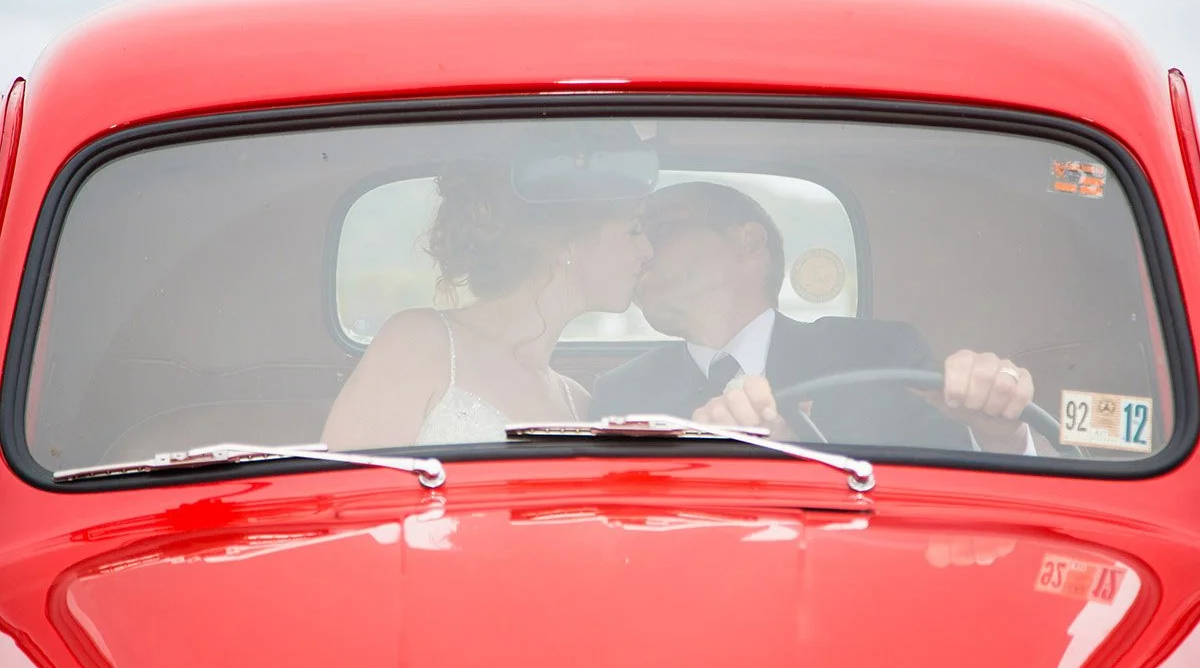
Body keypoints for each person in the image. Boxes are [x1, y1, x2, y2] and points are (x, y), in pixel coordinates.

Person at [589, 181, 1056, 455]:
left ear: (749, 243)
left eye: (662, 229)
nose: (643, 249)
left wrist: (1002, 433)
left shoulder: (877, 355)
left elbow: (962, 500)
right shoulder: (622, 394)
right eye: (636, 234)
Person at [322, 163, 653, 450]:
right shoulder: (418, 344)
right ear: (566, 240)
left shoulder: (579, 403)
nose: (647, 251)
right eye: (634, 230)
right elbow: (341, 501)